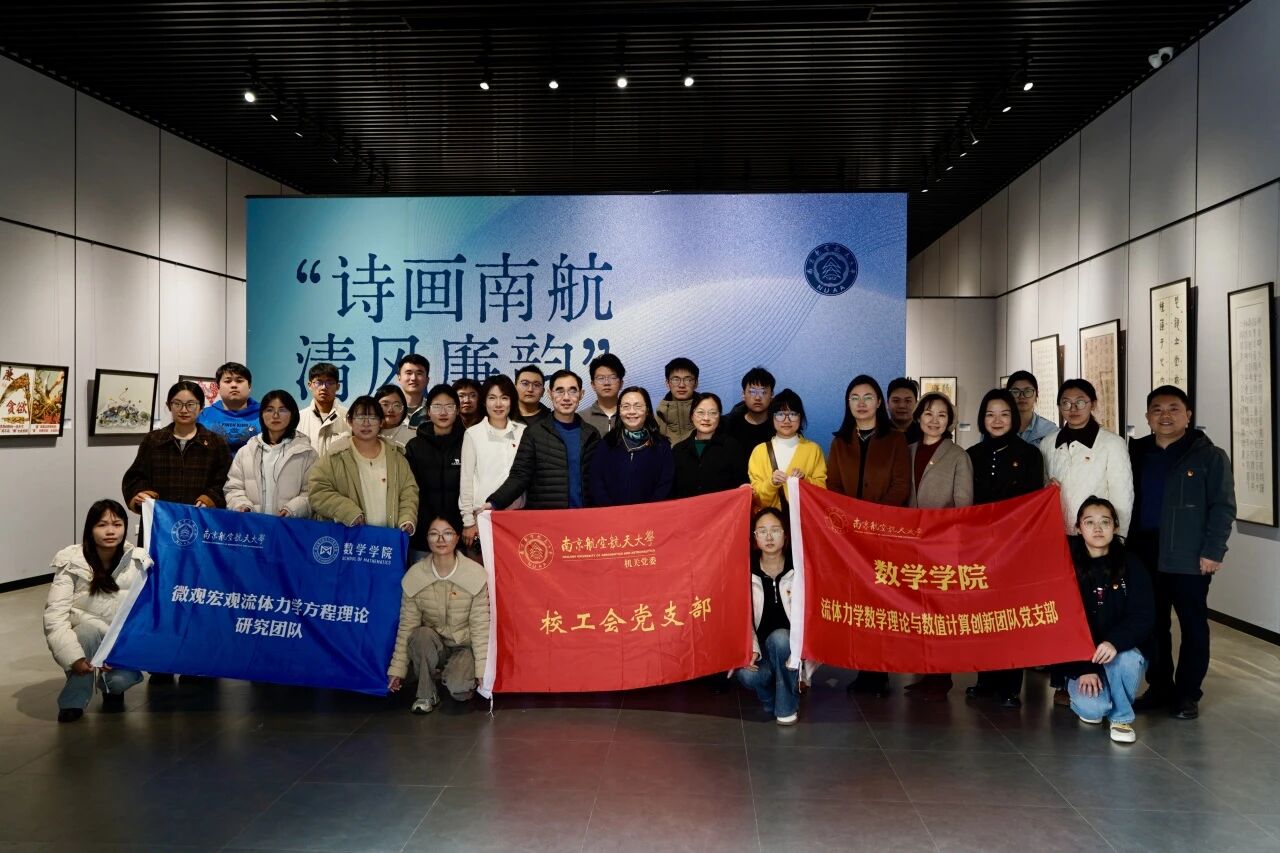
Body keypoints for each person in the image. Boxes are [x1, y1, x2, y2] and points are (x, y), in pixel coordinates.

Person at [1129, 386, 1236, 720]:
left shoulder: (1209, 456)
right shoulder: (1135, 452)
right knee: (1153, 623)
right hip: (1144, 551)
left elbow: (1223, 507)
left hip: (1189, 553)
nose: (1165, 415)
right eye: (1157, 409)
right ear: (1147, 417)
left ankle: (1187, 693)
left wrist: (1214, 550)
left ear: (1188, 415)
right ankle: (1159, 687)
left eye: (1173, 408)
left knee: (1192, 624)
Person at [828, 374, 910, 696]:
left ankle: (880, 671)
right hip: (850, 537)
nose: (861, 404)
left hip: (883, 535)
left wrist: (874, 521)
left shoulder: (895, 440)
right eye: (854, 398)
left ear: (878, 402)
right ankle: (863, 668)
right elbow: (833, 486)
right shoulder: (840, 442)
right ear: (847, 404)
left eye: (867, 397)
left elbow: (900, 486)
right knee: (858, 604)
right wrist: (851, 522)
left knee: (881, 603)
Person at [965, 388, 1045, 707]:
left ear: (1014, 418)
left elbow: (1032, 504)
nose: (997, 421)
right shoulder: (972, 455)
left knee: (1010, 618)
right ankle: (984, 680)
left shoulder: (1030, 454)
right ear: (982, 419)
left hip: (1015, 549)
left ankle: (1010, 687)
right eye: (990, 414)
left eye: (1004, 414)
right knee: (983, 616)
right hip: (980, 550)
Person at [1053, 497, 1154, 744]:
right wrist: (1083, 668)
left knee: (1128, 659)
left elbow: (1143, 615)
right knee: (1093, 711)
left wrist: (1114, 642)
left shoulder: (1131, 564)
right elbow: (1060, 622)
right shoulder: (1065, 565)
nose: (1097, 529)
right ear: (1078, 528)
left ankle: (1121, 717)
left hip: (1117, 653)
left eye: (1105, 522)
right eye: (1089, 522)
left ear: (1115, 526)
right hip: (1081, 660)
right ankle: (1105, 696)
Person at [44, 499, 148, 722]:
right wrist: (74, 658)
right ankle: (73, 700)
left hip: (119, 640)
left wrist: (123, 650)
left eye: (117, 524)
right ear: (90, 529)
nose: (110, 531)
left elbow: (145, 615)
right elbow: (54, 617)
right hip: (86, 637)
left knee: (120, 680)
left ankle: (112, 688)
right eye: (101, 525)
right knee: (86, 633)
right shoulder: (72, 561)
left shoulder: (139, 562)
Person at [903, 392, 974, 699]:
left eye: (942, 415)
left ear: (950, 422)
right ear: (919, 417)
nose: (934, 420)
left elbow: (963, 506)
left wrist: (938, 532)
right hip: (909, 544)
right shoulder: (907, 451)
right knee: (917, 611)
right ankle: (924, 672)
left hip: (941, 546)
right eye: (929, 413)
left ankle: (941, 677)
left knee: (939, 613)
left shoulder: (958, 455)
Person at [387, 516, 489, 714]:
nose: (441, 539)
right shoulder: (415, 576)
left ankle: (449, 675)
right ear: (427, 539)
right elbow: (406, 627)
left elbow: (481, 628)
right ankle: (425, 693)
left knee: (459, 690)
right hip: (433, 645)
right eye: (434, 534)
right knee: (420, 635)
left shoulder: (475, 574)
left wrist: (482, 671)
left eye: (447, 533)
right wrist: (397, 670)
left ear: (457, 538)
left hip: (463, 646)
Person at [488, 369, 601, 510]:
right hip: (545, 518)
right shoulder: (534, 433)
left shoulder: (591, 434)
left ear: (581, 394)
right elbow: (519, 476)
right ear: (550, 394)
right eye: (559, 391)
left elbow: (600, 479)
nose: (566, 397)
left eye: (573, 391)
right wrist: (494, 503)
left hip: (584, 516)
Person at [307, 395, 418, 533]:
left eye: (372, 417)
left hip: (387, 538)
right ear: (350, 421)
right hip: (349, 537)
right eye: (360, 417)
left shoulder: (396, 456)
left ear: (381, 422)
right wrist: (348, 512)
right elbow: (318, 491)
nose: (366, 423)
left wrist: (407, 518)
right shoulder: (335, 455)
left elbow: (409, 492)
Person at [123, 380, 231, 516]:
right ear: (169, 405)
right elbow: (136, 476)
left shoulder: (216, 443)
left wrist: (209, 498)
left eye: (191, 404)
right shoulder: (153, 440)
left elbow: (225, 481)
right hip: (160, 518)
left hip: (201, 517)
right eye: (177, 404)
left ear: (201, 407)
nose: (184, 410)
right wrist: (142, 493)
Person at [1042, 379, 1134, 537]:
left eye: (1080, 402)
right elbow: (1041, 487)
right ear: (1059, 406)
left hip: (1097, 536)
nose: (1073, 408)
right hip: (1056, 533)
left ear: (1093, 404)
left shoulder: (1112, 443)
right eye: (1066, 403)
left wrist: (1119, 538)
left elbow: (1123, 497)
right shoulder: (1047, 443)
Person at [736, 507, 802, 725]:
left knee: (781, 638)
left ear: (785, 534)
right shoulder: (745, 570)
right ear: (755, 537)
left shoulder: (799, 568)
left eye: (775, 530)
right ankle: (770, 699)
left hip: (790, 648)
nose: (769, 537)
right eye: (762, 531)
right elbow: (741, 617)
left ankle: (785, 708)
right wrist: (752, 648)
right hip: (761, 651)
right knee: (747, 675)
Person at [225, 389, 317, 518]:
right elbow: (233, 488)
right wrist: (242, 505)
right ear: (262, 414)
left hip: (289, 526)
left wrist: (292, 509)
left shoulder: (307, 453)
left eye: (282, 410)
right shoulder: (246, 452)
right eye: (269, 410)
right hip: (253, 525)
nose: (275, 415)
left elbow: (313, 492)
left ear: (292, 414)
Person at [459, 375, 526, 551]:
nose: (498, 404)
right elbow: (466, 480)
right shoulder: (473, 434)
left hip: (517, 518)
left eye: (504, 398)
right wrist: (468, 521)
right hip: (482, 517)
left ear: (512, 401)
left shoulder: (523, 432)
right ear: (484, 401)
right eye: (492, 398)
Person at [589, 386, 675, 506]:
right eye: (626, 406)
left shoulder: (661, 445)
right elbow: (596, 482)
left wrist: (649, 511)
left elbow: (665, 485)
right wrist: (611, 510)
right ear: (619, 411)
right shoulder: (607, 444)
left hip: (651, 514)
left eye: (638, 406)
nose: (632, 411)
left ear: (647, 410)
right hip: (611, 514)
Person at [405, 385, 465, 553]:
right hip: (423, 534)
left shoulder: (469, 443)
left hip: (459, 534)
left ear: (457, 410)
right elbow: (410, 490)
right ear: (428, 411)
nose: (443, 412)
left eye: (449, 406)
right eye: (437, 406)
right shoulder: (414, 446)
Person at [747, 389, 826, 511]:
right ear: (772, 417)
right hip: (771, 521)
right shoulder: (759, 451)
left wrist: (804, 480)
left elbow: (822, 491)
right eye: (780, 414)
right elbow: (756, 498)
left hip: (804, 519)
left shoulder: (813, 450)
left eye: (793, 414)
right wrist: (771, 483)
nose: (786, 420)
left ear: (800, 417)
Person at [672, 392, 749, 497]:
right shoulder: (678, 450)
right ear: (691, 416)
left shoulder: (732, 446)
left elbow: (741, 482)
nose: (706, 418)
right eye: (700, 412)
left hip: (722, 507)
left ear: (719, 416)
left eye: (713, 413)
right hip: (687, 507)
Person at [196, 361, 261, 455]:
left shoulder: (264, 414)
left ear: (249, 386)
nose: (234, 385)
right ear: (218, 387)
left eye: (239, 381)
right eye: (227, 381)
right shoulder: (203, 416)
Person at [723, 366, 776, 461]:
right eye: (752, 392)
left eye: (763, 392)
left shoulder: (779, 426)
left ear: (772, 395)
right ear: (743, 394)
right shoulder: (729, 425)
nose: (757, 397)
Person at [297, 362, 349, 456]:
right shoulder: (298, 418)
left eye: (329, 382)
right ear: (309, 385)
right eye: (318, 382)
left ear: (338, 386)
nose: (324, 387)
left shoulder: (349, 417)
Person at [1007, 371, 1057, 447]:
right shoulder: (997, 427)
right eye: (1015, 392)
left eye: (1028, 391)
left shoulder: (1050, 431)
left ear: (1037, 395)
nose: (1022, 396)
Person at [656, 357, 699, 444]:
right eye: (675, 379)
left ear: (696, 383)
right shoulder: (657, 418)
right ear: (667, 383)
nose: (681, 385)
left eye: (688, 380)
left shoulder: (708, 414)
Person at [581, 353, 626, 437]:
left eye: (612, 377)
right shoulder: (581, 418)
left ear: (621, 383)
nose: (606, 383)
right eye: (601, 378)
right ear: (593, 385)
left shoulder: (632, 415)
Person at [375, 384, 415, 449]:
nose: (390, 410)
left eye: (396, 405)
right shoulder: (365, 434)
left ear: (403, 409)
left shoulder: (412, 438)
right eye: (385, 404)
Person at [396, 354, 430, 428]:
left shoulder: (433, 410)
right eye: (408, 373)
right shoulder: (388, 409)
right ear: (399, 377)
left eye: (419, 373)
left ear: (427, 380)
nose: (413, 378)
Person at [886, 377, 923, 444]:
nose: (902, 406)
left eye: (908, 401)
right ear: (887, 404)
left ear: (916, 404)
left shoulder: (925, 434)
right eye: (896, 401)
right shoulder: (877, 433)